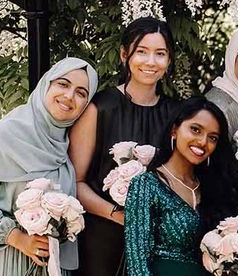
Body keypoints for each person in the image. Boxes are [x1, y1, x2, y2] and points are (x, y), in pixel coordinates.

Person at [0, 57, 98, 276]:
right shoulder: (4, 136)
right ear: (47, 84)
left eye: (81, 93)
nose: (69, 96)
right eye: (62, 84)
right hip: (7, 259)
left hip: (51, 264)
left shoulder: (65, 148)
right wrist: (19, 239)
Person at [70, 17, 181, 276]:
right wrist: (118, 214)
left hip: (157, 240)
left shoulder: (176, 114)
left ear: (169, 60)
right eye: (141, 52)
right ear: (124, 55)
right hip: (103, 236)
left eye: (160, 54)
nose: (151, 62)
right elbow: (76, 182)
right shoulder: (100, 107)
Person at [124, 97, 238, 276]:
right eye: (195, 130)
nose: (203, 142)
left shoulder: (213, 189)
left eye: (212, 138)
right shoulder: (146, 185)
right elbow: (137, 265)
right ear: (174, 130)